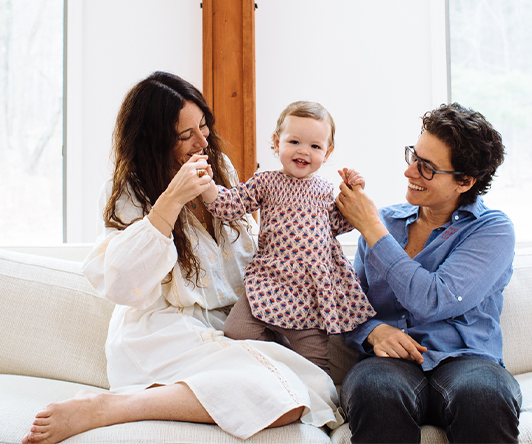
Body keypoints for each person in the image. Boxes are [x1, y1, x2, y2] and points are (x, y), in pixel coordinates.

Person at [22, 73, 342, 444]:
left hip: (227, 329)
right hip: (164, 334)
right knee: (276, 396)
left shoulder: (219, 167)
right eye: (185, 135)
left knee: (310, 389)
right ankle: (107, 408)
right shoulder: (128, 190)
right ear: (154, 140)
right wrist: (171, 199)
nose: (202, 142)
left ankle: (143, 400)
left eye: (204, 127)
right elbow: (122, 286)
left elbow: (254, 255)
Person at [334, 103, 522, 444]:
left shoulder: (491, 230)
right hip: (388, 363)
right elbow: (349, 303)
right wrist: (373, 331)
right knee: (375, 391)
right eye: (413, 156)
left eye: (427, 168)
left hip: (466, 360)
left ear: (465, 181)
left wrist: (373, 230)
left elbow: (434, 299)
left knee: (483, 397)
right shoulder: (385, 222)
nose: (410, 172)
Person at [200, 101, 375, 374]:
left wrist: (356, 193)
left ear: (327, 152)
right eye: (294, 142)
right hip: (270, 278)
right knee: (236, 330)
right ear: (276, 142)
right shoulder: (266, 182)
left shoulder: (325, 190)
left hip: (309, 290)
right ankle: (276, 358)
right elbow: (232, 204)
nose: (303, 151)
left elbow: (339, 224)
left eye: (315, 146)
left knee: (315, 363)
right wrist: (208, 187)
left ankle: (306, 386)